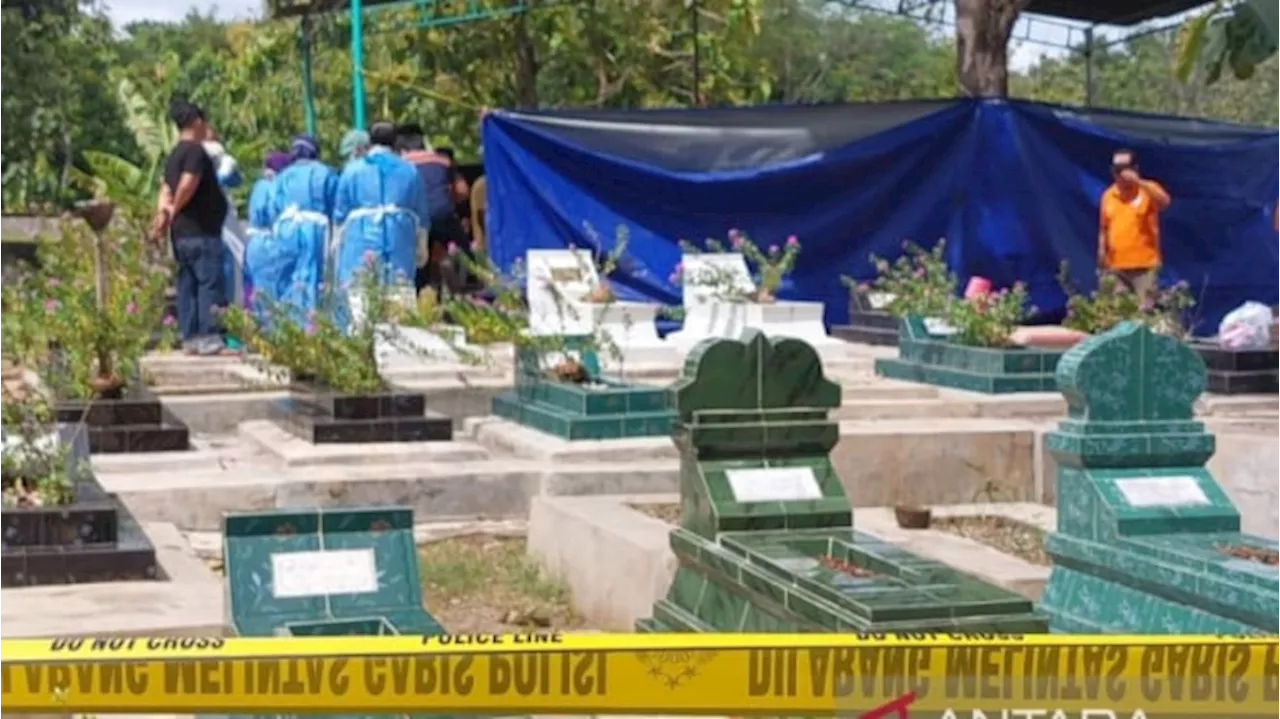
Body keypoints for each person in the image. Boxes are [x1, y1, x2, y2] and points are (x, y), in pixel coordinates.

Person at [149, 99, 228, 356]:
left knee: (188, 284)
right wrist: (175, 209)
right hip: (200, 231)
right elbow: (187, 183)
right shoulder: (195, 152)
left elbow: (165, 189)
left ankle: (190, 335)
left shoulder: (174, 155)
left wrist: (163, 216)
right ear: (196, 122)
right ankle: (208, 335)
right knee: (207, 283)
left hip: (182, 234)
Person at [333, 121, 429, 295]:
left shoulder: (353, 170)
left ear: (369, 141)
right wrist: (422, 246)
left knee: (360, 293)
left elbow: (340, 215)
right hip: (399, 237)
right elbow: (420, 214)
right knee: (399, 292)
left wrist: (335, 246)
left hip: (360, 240)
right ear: (395, 141)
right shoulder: (410, 171)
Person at [396, 123, 469, 294]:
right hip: (444, 214)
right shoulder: (442, 160)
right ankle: (465, 287)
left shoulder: (400, 165)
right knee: (465, 257)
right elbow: (462, 191)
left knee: (420, 264)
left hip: (418, 220)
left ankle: (421, 293)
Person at [270, 134, 337, 318]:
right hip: (312, 228)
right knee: (310, 275)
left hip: (285, 228)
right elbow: (335, 205)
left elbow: (273, 207)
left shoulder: (283, 176)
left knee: (285, 275)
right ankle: (309, 325)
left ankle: (285, 323)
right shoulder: (325, 172)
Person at [1098, 149, 1171, 303]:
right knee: (1119, 311)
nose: (1121, 174)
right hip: (1116, 267)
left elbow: (1164, 202)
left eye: (1125, 168)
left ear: (1134, 168)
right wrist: (1101, 251)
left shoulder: (1147, 190)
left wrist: (1138, 181)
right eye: (1116, 169)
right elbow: (1104, 228)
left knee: (1145, 310)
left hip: (1144, 266)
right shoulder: (1108, 196)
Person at [243, 150, 291, 317]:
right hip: (269, 241)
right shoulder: (276, 186)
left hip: (253, 242)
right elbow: (272, 212)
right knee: (272, 289)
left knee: (253, 288)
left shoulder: (259, 185)